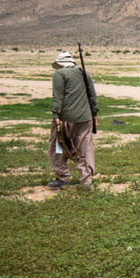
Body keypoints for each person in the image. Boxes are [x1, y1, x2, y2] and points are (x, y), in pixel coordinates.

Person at [48, 52, 97, 188]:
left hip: (65, 118)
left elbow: (58, 96)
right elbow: (92, 94)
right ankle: (86, 179)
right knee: (84, 148)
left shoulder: (59, 74)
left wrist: (56, 115)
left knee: (58, 147)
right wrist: (94, 114)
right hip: (85, 117)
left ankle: (62, 177)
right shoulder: (84, 73)